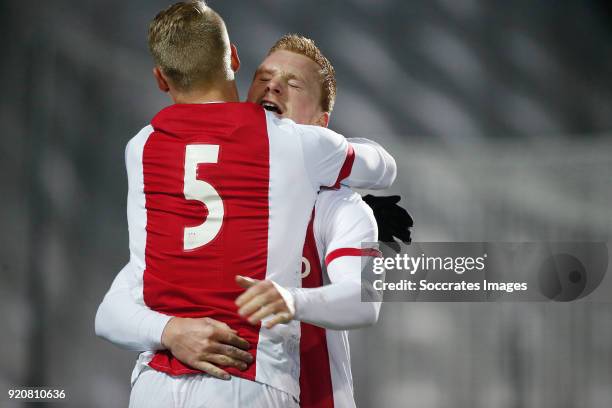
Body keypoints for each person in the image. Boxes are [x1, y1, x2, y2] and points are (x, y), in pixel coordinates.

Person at [96, 2, 397, 408]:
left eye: (294, 84)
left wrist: (293, 299)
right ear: (235, 62)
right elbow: (111, 310)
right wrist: (170, 330)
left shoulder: (340, 207)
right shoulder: (213, 188)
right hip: (225, 382)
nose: (273, 86)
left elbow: (363, 298)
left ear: (323, 124)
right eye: (265, 76)